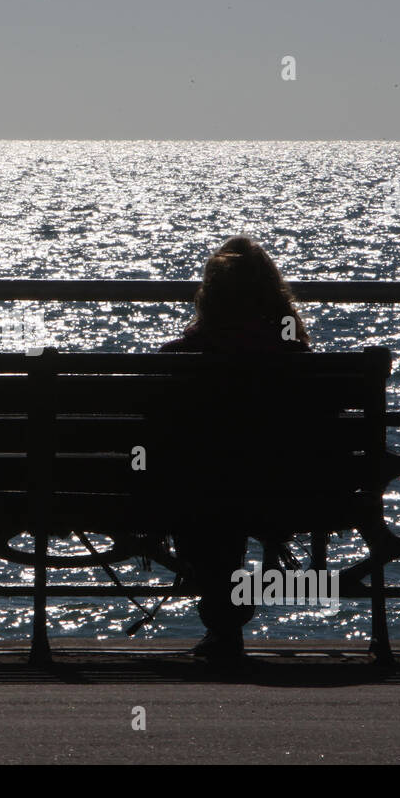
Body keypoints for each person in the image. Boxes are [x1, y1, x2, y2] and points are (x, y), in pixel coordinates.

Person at [158, 236, 310, 664]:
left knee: (205, 486)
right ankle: (225, 622)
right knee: (227, 483)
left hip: (202, 491)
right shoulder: (296, 358)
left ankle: (222, 623)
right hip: (285, 488)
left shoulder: (182, 357)